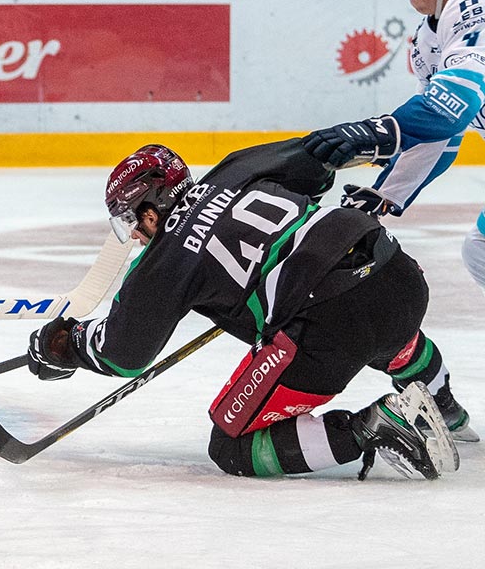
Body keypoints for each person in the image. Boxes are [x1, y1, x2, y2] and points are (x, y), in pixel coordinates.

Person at [24, 136, 474, 479]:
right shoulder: (239, 167)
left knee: (230, 446)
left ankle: (375, 426)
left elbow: (122, 353)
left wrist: (65, 345)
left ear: (149, 209)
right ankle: (446, 408)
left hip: (332, 321)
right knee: (381, 328)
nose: (135, 235)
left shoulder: (163, 261)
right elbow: (319, 167)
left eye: (130, 220)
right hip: (397, 273)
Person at [307, 0, 485, 389]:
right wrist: (383, 194)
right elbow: (442, 132)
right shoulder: (428, 41)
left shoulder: (476, 1)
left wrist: (376, 132)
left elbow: (458, 101)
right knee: (480, 251)